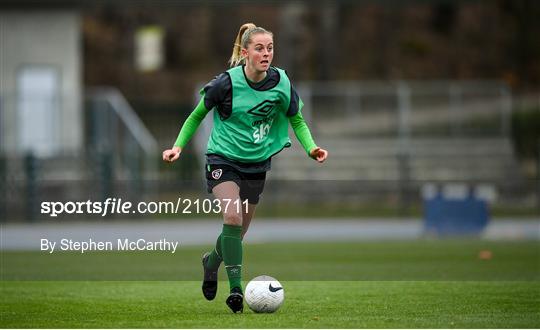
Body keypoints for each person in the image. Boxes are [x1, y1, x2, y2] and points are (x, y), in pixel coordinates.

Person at [162, 23, 328, 313]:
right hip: (223, 160)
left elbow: (296, 120)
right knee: (232, 216)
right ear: (245, 52)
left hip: (256, 164)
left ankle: (211, 261)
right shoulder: (225, 83)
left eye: (270, 48)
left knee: (236, 232)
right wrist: (178, 146)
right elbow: (196, 116)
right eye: (260, 48)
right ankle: (236, 290)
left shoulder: (281, 82)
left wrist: (311, 147)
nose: (266, 54)